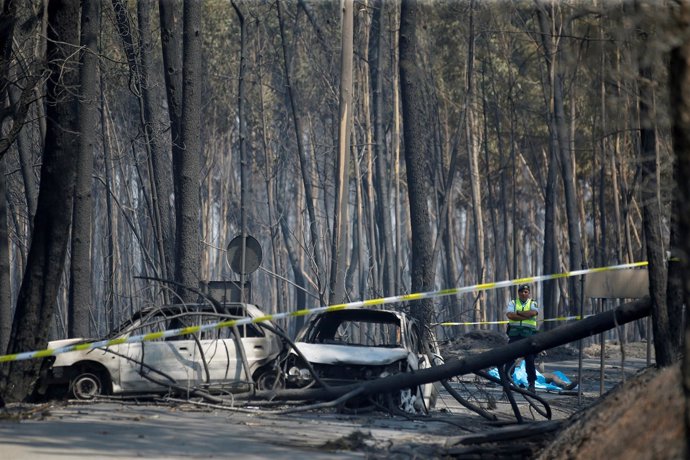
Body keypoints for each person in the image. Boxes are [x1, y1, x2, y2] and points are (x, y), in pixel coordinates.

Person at [505, 283, 539, 392]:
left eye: (526, 292)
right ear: (518, 293)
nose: (524, 294)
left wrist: (518, 313)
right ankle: (507, 382)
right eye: (522, 292)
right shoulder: (513, 302)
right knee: (510, 358)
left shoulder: (533, 302)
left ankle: (531, 383)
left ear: (528, 293)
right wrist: (525, 314)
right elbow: (510, 315)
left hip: (528, 335)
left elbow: (533, 313)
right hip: (514, 335)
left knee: (530, 359)